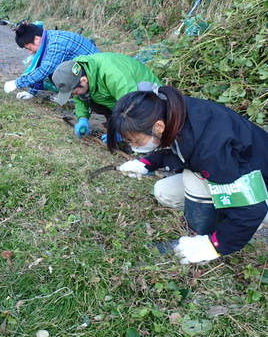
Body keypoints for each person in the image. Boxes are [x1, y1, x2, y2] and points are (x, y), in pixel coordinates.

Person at [106, 85, 268, 264]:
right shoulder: (174, 112)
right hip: (230, 171)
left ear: (158, 126)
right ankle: (213, 224)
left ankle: (202, 240)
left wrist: (214, 245)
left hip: (261, 189)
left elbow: (253, 209)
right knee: (164, 191)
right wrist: (146, 163)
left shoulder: (211, 150)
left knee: (195, 179)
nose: (134, 147)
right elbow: (179, 149)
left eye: (135, 141)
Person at [51, 52, 161, 139]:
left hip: (148, 100)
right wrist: (82, 119)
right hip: (119, 100)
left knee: (146, 130)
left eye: (74, 92)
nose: (74, 95)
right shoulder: (76, 72)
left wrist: (123, 132)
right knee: (87, 97)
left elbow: (134, 104)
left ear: (83, 80)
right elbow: (80, 98)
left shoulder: (113, 75)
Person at [3, 22, 99, 100]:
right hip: (82, 68)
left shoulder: (56, 44)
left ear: (36, 39)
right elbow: (41, 65)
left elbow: (44, 70)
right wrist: (32, 91)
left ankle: (81, 95)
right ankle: (71, 94)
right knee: (53, 72)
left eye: (29, 48)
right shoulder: (49, 38)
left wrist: (17, 83)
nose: (31, 52)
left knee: (55, 74)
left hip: (94, 74)